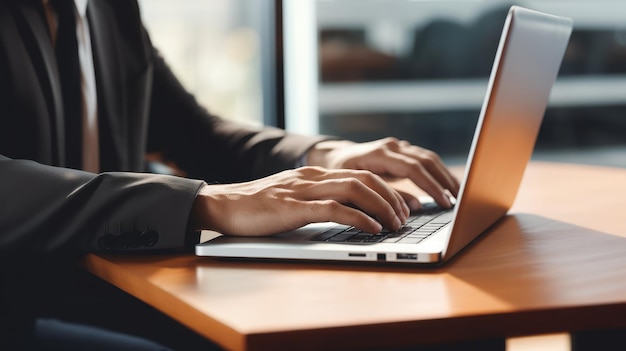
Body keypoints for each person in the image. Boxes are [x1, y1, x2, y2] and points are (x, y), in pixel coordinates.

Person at [0, 0, 463, 349]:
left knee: (434, 329)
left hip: (108, 279)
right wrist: (209, 202)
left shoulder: (105, 7)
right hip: (20, 307)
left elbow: (192, 132)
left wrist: (325, 154)